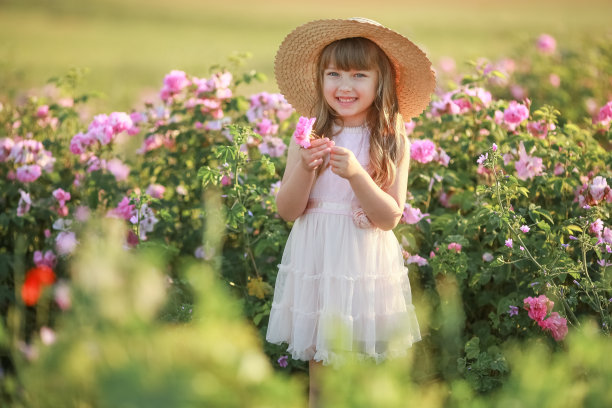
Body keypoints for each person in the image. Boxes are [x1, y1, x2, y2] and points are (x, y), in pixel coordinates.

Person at [265, 18, 435, 405]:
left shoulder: (391, 139)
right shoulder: (308, 136)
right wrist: (308, 168)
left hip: (364, 268)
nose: (345, 85)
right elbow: (288, 210)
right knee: (322, 378)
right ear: (320, 78)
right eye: (334, 73)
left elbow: (390, 216)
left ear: (381, 82)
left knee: (366, 376)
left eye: (359, 74)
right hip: (320, 264)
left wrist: (358, 175)